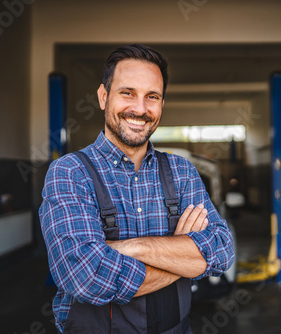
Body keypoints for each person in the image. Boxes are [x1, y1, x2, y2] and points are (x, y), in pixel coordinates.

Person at [39, 44, 235, 334]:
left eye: (152, 97)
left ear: (161, 105)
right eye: (127, 93)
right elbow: (86, 276)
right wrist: (180, 253)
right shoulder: (70, 172)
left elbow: (221, 250)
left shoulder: (181, 172)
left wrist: (134, 247)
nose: (140, 109)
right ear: (104, 97)